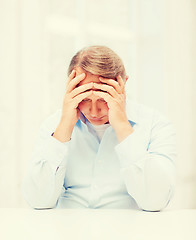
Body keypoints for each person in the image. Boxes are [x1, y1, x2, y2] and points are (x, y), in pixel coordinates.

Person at [22, 45, 177, 211]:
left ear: (123, 84)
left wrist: (122, 126)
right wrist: (64, 128)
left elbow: (156, 202)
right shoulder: (53, 125)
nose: (94, 112)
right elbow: (38, 200)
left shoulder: (155, 125)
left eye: (104, 99)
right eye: (85, 99)